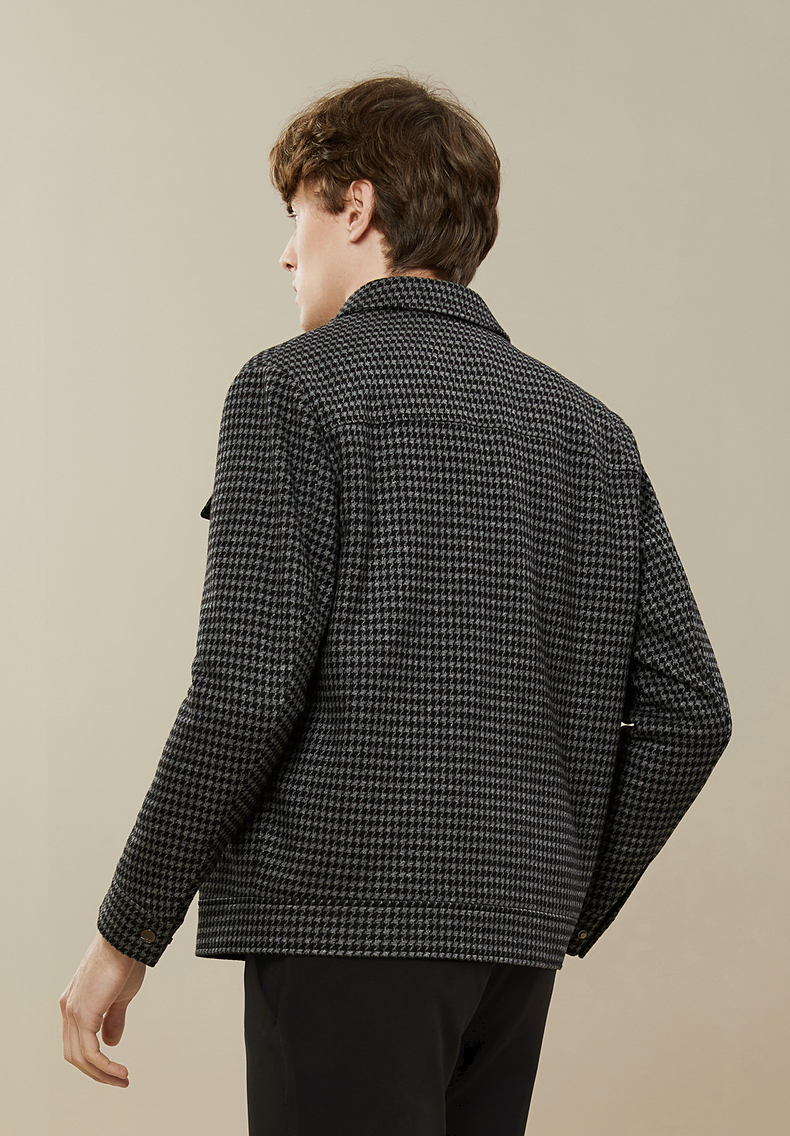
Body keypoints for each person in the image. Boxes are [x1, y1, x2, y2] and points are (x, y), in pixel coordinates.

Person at [59, 72, 732, 1135]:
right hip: (511, 948)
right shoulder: (591, 432)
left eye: (298, 216)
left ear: (357, 207)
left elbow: (242, 693)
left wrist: (125, 932)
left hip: (343, 928)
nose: (287, 254)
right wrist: (555, 889)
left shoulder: (291, 389)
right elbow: (692, 710)